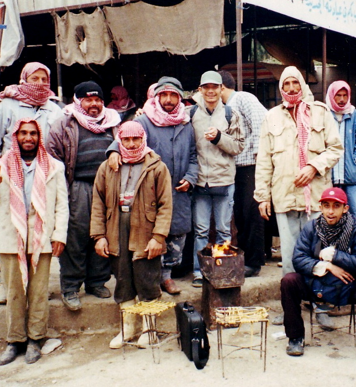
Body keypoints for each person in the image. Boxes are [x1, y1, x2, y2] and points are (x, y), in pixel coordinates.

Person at [254, 66, 343, 325]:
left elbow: (336, 148)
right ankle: (290, 308)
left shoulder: (320, 112)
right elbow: (264, 161)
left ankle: (321, 306)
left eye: (295, 83)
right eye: (287, 84)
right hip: (284, 197)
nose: (292, 88)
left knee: (319, 252)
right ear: (281, 88)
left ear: (302, 84)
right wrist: (263, 196)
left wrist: (313, 166)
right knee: (290, 257)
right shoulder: (271, 116)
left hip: (316, 198)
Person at [0, 118, 68, 365]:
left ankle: (35, 339)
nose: (28, 138)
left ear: (39, 138)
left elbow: (61, 205)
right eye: (24, 133)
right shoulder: (0, 165)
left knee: (38, 292)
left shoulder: (54, 167)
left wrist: (59, 235)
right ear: (15, 137)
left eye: (33, 134)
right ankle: (14, 341)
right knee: (14, 292)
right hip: (10, 237)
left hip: (41, 238)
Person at [107, 76, 197, 295]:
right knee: (151, 234)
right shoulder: (143, 121)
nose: (168, 100)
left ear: (179, 98)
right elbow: (124, 138)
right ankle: (151, 279)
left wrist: (190, 177)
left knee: (177, 235)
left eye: (173, 95)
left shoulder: (186, 124)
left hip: (178, 191)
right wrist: (113, 151)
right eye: (163, 95)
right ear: (157, 97)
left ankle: (166, 277)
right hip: (149, 192)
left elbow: (194, 156)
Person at [0, 62, 63, 305]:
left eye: (44, 79)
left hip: (42, 175)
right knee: (9, 232)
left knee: (38, 231)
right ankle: (6, 285)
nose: (40, 83)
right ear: (24, 79)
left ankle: (37, 286)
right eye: (34, 78)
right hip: (8, 177)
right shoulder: (6, 105)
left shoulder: (54, 108)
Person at [280, 187, 356, 365]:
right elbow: (298, 259)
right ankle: (295, 337)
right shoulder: (312, 227)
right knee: (289, 280)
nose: (331, 211)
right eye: (326, 206)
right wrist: (327, 266)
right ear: (320, 207)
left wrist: (335, 256)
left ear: (345, 208)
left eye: (336, 206)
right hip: (316, 283)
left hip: (346, 285)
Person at [91, 121, 173, 349]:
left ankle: (149, 329)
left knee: (147, 279)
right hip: (116, 230)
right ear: (119, 141)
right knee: (123, 279)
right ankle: (127, 329)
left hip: (145, 232)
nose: (131, 144)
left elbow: (166, 205)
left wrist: (158, 237)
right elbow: (98, 202)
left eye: (136, 139)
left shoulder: (156, 167)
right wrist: (99, 236)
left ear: (143, 139)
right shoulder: (107, 167)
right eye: (126, 139)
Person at [46, 81, 121, 311]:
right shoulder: (64, 123)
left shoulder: (113, 122)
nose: (94, 104)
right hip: (77, 186)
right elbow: (52, 155)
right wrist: (63, 190)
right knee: (75, 237)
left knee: (103, 233)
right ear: (78, 101)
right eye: (88, 100)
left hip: (106, 188)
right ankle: (70, 286)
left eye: (98, 100)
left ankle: (96, 282)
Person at [189, 71, 245, 287]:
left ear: (221, 89)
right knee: (201, 230)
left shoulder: (231, 114)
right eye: (206, 87)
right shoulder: (191, 113)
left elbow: (238, 146)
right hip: (200, 180)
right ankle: (199, 271)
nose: (211, 91)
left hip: (224, 180)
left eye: (215, 87)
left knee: (223, 230)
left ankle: (222, 269)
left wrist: (220, 138)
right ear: (200, 90)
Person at [218, 70, 268, 278]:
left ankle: (254, 262)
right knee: (240, 214)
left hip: (251, 165)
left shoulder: (243, 98)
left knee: (251, 212)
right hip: (235, 167)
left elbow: (261, 124)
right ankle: (250, 257)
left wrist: (260, 157)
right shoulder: (223, 107)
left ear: (221, 87)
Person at [325, 80, 356, 218]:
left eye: (345, 95)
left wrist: (355, 161)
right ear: (332, 95)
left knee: (352, 210)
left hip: (349, 174)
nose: (342, 99)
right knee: (332, 211)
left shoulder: (352, 113)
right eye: (338, 95)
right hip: (330, 174)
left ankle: (353, 232)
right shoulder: (325, 113)